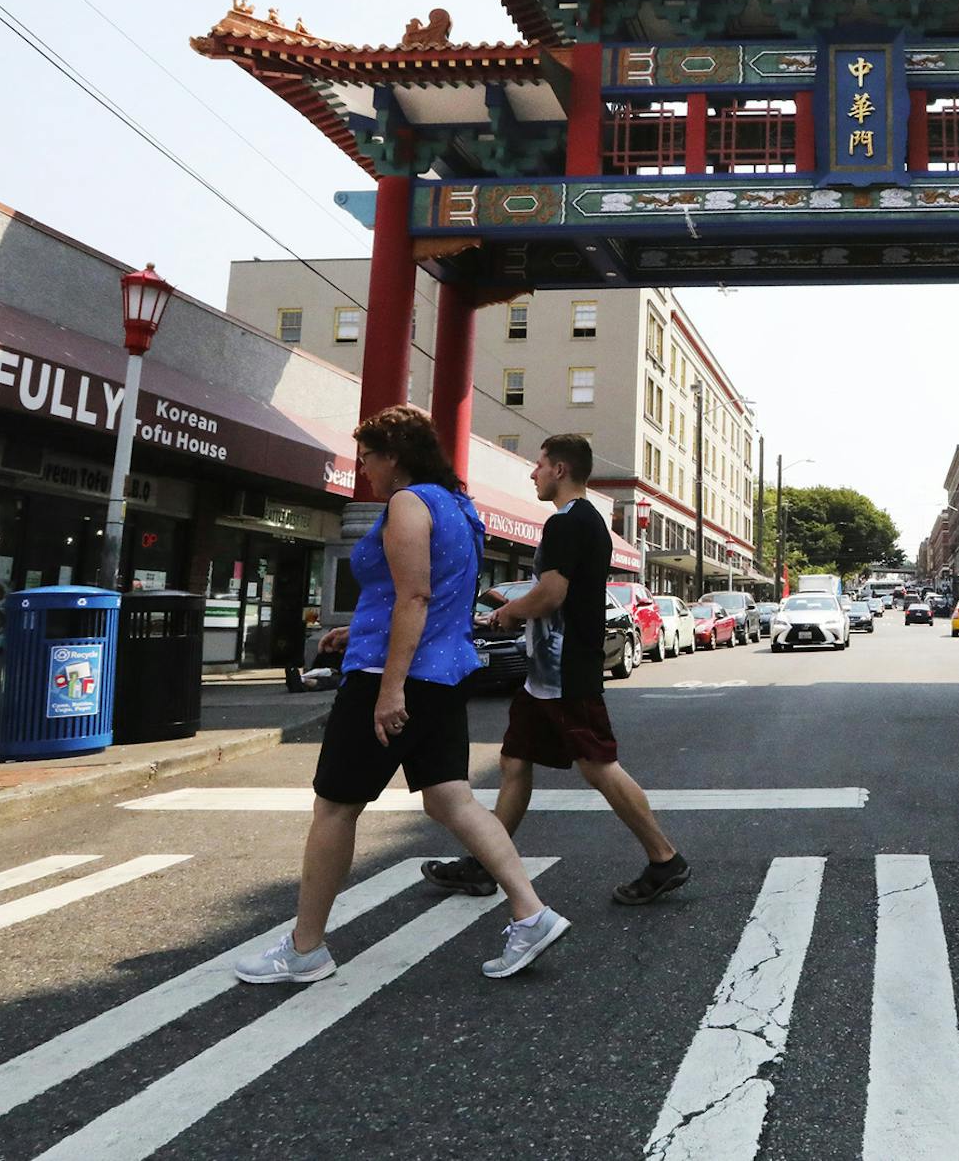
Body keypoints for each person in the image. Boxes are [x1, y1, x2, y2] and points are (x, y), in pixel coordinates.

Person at [235, 406, 565, 986]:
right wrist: (357, 629)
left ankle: (305, 947)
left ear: (393, 455)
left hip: (394, 677)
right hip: (442, 674)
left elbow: (413, 598)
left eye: (367, 457)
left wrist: (388, 689)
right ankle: (530, 913)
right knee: (451, 800)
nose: (363, 469)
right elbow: (432, 599)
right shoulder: (459, 508)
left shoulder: (409, 504)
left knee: (336, 805)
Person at [421, 434, 688, 905]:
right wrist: (518, 608)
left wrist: (510, 612)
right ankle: (485, 864)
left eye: (539, 465)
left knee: (599, 767)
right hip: (546, 674)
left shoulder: (566, 524)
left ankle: (665, 859)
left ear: (560, 470)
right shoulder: (588, 521)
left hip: (566, 671)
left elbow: (552, 594)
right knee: (514, 761)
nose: (533, 473)